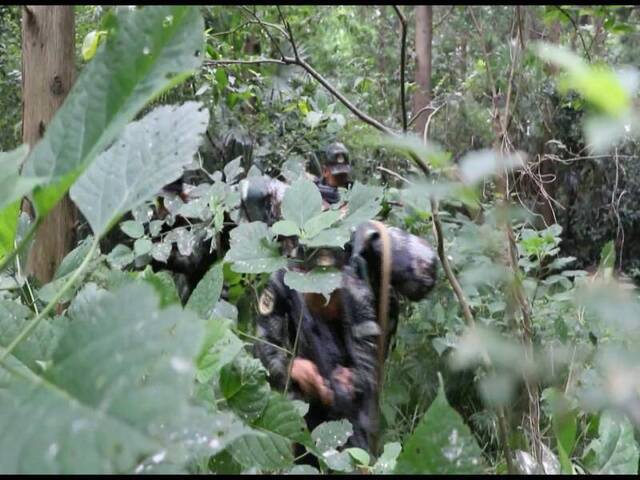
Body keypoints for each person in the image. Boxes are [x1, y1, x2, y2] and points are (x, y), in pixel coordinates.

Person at [251, 144, 438, 457]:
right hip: (300, 413)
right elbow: (261, 345)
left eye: (331, 291)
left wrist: (335, 389)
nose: (324, 299)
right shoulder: (286, 279)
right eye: (316, 291)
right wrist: (289, 369)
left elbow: (367, 373)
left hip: (351, 417)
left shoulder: (359, 294)